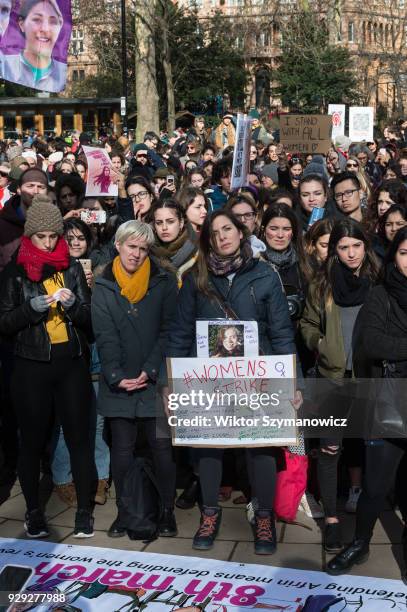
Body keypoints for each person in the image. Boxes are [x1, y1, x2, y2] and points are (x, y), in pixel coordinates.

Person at [167, 210, 300, 555]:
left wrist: (291, 383)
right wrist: (172, 383)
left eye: (228, 229)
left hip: (258, 380)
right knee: (209, 447)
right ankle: (209, 512)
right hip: (209, 380)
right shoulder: (196, 277)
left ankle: (264, 516)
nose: (222, 236)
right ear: (208, 240)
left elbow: (282, 333)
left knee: (260, 448)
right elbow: (180, 333)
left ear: (241, 233)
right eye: (215, 233)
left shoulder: (265, 275)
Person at [0, 197, 95, 537]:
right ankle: (33, 511)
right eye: (42, 236)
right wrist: (31, 309)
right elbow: (5, 322)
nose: (49, 242)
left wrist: (72, 307)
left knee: (79, 439)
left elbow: (90, 321)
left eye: (54, 236)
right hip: (31, 367)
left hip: (70, 363)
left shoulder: (70, 267)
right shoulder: (15, 271)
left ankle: (84, 510)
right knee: (33, 442)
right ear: (29, 236)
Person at [327, 225, 407, 579]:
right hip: (390, 403)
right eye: (404, 253)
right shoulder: (381, 294)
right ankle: (360, 543)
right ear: (394, 257)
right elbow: (373, 343)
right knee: (375, 485)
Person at [91, 220, 178, 539]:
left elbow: (169, 330)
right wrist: (116, 375)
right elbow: (104, 333)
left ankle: (166, 510)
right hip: (119, 382)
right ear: (118, 245)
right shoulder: (102, 285)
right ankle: (125, 511)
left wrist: (151, 370)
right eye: (132, 246)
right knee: (122, 450)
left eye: (143, 249)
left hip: (155, 379)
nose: (137, 254)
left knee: (161, 447)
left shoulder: (164, 281)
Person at [300, 219, 380, 553]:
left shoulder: (379, 281)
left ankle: (366, 518)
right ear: (335, 250)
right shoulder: (323, 283)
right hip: (332, 378)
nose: (350, 253)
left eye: (356, 246)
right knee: (330, 450)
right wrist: (321, 342)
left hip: (371, 377)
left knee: (374, 448)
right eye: (343, 247)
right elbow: (306, 322)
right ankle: (331, 519)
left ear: (365, 246)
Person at [51, 218, 110, 507]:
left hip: (96, 356)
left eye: (81, 238)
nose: (76, 243)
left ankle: (101, 478)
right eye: (70, 237)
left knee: (97, 424)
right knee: (65, 423)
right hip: (68, 356)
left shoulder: (102, 270)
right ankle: (63, 478)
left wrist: (94, 287)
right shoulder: (50, 269)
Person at [2, 0, 66, 93]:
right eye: (37, 20)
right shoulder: (6, 66)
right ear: (21, 24)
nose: (45, 29)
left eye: (53, 21)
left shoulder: (62, 72)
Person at [0, 167, 48, 272]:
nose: (36, 191)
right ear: (19, 189)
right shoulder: (3, 224)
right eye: (30, 186)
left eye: (41, 187)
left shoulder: (54, 223)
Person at [150, 199, 198, 286]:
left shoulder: (197, 251)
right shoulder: (147, 251)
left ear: (181, 223)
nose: (164, 227)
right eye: (159, 223)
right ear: (154, 226)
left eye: (170, 221)